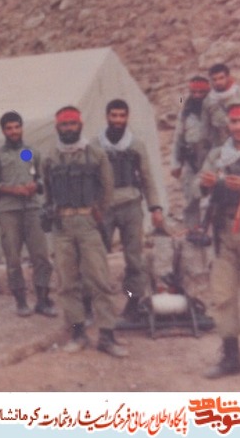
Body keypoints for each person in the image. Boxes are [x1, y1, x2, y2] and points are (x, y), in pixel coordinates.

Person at [42, 106, 128, 357]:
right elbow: (47, 193)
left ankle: (107, 335)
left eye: (72, 124)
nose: (68, 128)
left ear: (80, 125)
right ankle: (77, 334)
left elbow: (107, 191)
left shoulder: (96, 154)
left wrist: (95, 214)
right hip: (62, 227)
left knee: (99, 280)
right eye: (64, 125)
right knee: (67, 283)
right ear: (57, 127)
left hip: (88, 224)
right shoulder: (51, 157)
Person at [195, 103, 240, 382]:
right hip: (223, 231)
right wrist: (206, 184)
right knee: (223, 295)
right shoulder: (217, 154)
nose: (239, 127)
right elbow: (196, 186)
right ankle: (231, 357)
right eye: (234, 121)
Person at [90, 99, 164, 321]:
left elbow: (147, 177)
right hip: (103, 207)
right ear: (107, 117)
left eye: (122, 116)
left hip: (131, 205)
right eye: (114, 116)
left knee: (134, 258)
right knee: (96, 257)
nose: (118, 120)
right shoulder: (95, 145)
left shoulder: (135, 145)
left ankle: (133, 301)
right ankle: (96, 302)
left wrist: (155, 207)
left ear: (127, 117)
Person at [0, 111, 55, 317]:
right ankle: (21, 301)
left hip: (32, 209)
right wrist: (12, 189)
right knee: (13, 258)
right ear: (3, 131)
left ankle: (42, 299)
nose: (14, 132)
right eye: (9, 128)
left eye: (17, 127)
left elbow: (43, 178)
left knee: (40, 256)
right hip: (9, 212)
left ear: (22, 128)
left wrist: (35, 186)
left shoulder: (30, 152)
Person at [170, 76, 211, 228]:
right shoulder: (185, 110)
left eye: (202, 92)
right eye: (194, 92)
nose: (198, 95)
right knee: (190, 196)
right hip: (191, 159)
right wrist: (175, 163)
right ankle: (192, 230)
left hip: (211, 158)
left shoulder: (214, 107)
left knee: (213, 197)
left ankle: (212, 231)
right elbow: (178, 137)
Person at [201, 63, 240, 149]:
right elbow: (206, 128)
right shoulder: (208, 101)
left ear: (228, 77)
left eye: (221, 78)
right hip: (222, 146)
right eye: (214, 79)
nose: (218, 82)